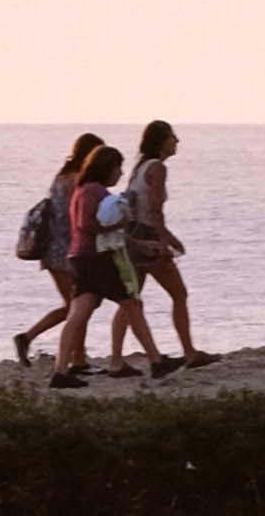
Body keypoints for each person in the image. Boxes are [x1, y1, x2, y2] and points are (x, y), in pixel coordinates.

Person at [54, 140, 171, 388]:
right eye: (117, 167)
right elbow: (89, 226)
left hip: (79, 257)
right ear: (106, 167)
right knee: (132, 303)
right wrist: (118, 224)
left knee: (79, 313)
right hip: (98, 258)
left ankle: (60, 371)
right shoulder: (94, 191)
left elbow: (94, 229)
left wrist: (137, 243)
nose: (120, 173)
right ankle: (156, 361)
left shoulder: (82, 189)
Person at [115, 120, 197, 363]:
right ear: (162, 142)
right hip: (148, 236)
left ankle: (116, 359)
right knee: (179, 294)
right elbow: (155, 210)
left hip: (132, 235)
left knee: (130, 300)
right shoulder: (158, 168)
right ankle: (189, 352)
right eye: (173, 137)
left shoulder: (139, 167)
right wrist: (167, 240)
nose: (177, 141)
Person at [13, 134, 96, 370]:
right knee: (78, 306)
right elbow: (75, 219)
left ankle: (32, 339)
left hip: (53, 251)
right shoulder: (77, 181)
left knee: (74, 306)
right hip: (66, 251)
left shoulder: (59, 178)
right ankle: (76, 358)